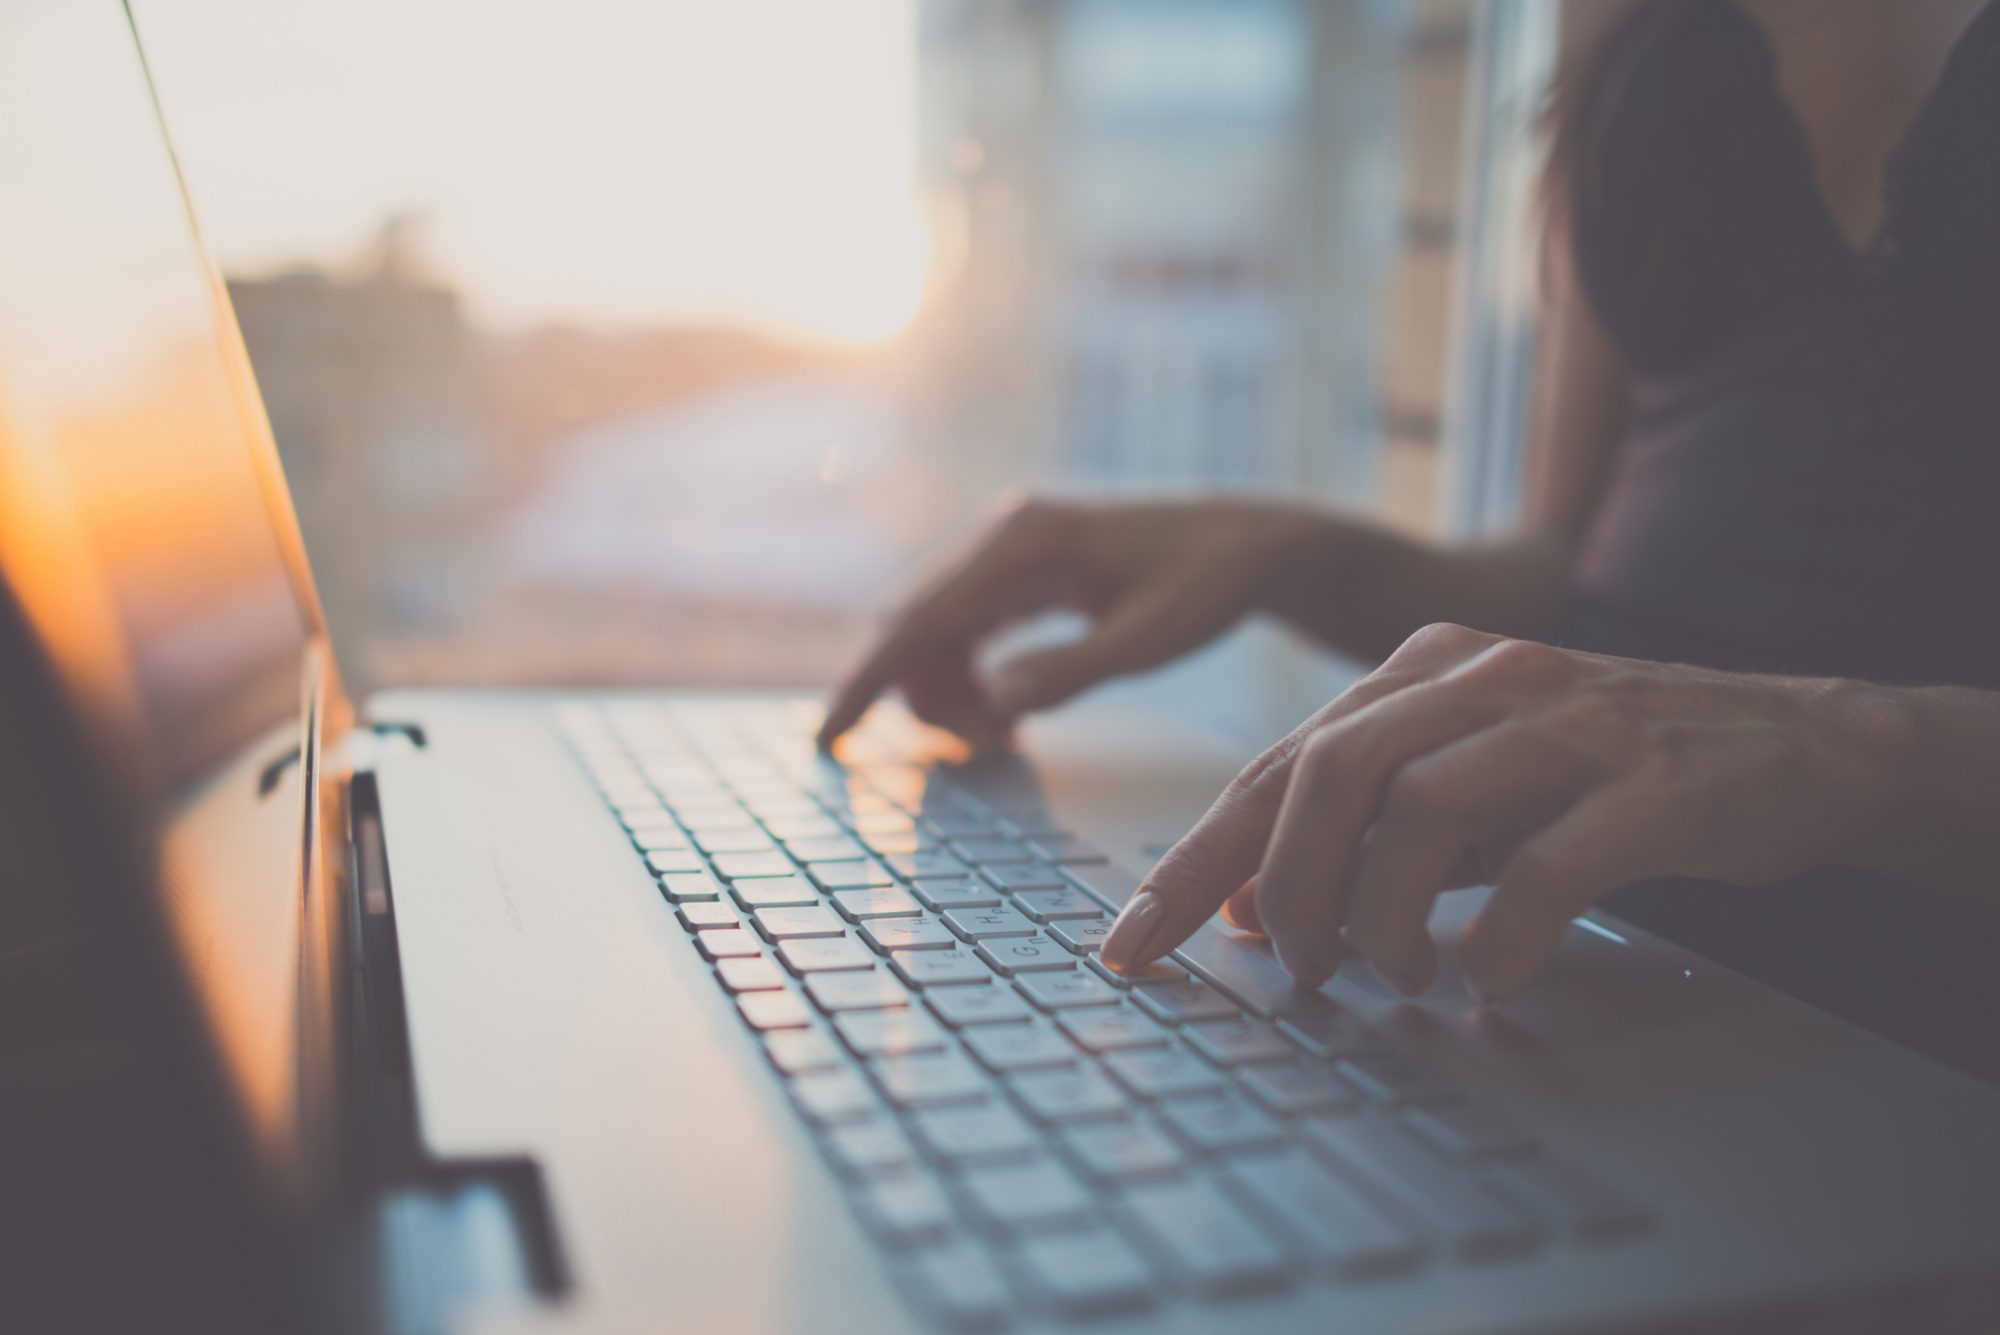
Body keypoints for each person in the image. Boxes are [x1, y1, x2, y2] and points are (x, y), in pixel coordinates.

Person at [818, 0, 2000, 1080]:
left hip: (1928, 1026)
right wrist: (1276, 548)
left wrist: (1861, 744)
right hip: (1562, 955)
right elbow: (1561, 563)